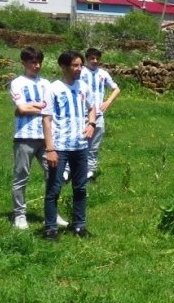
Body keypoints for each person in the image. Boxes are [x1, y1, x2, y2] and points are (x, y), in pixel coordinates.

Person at [43, 50, 97, 240]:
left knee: (80, 188)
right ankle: (50, 228)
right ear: (64, 67)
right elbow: (47, 120)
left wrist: (91, 124)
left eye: (80, 65)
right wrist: (50, 149)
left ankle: (79, 226)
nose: (79, 69)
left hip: (80, 146)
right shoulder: (53, 88)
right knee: (54, 189)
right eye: (75, 65)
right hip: (59, 146)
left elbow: (92, 108)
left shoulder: (83, 87)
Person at [9, 46, 63, 231]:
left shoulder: (47, 83)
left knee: (53, 175)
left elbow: (52, 108)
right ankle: (19, 214)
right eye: (33, 62)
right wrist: (39, 107)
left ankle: (52, 212)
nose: (37, 65)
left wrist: (31, 106)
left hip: (46, 137)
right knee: (21, 176)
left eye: (39, 62)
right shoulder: (18, 83)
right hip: (25, 136)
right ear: (24, 63)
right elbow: (21, 109)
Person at [80, 47, 120, 181]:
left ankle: (90, 173)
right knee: (78, 143)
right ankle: (70, 172)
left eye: (97, 58)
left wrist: (108, 102)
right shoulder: (80, 72)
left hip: (98, 115)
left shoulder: (103, 74)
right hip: (81, 115)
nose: (94, 61)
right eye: (92, 58)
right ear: (87, 59)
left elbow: (116, 89)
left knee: (94, 146)